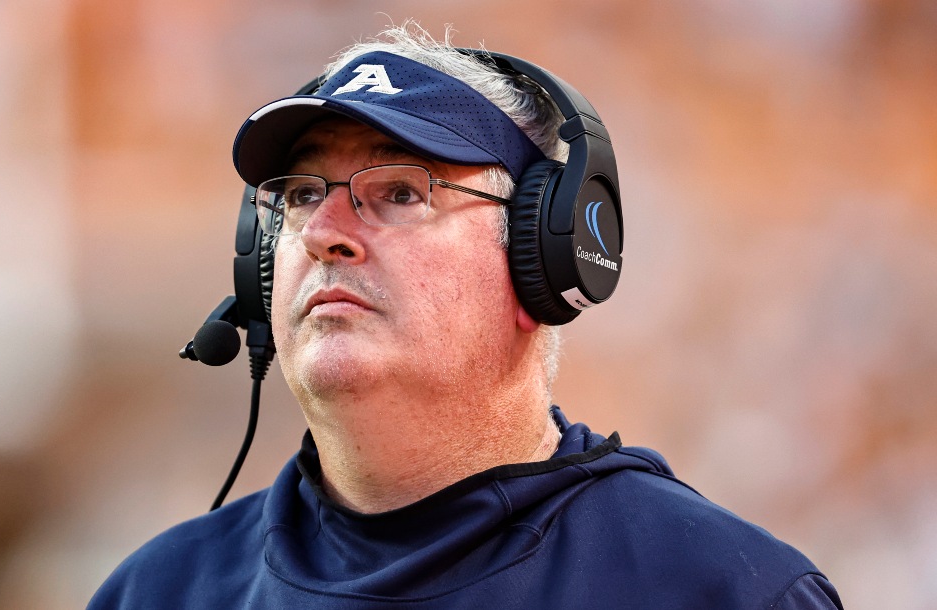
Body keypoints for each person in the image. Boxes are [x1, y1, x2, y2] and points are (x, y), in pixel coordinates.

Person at [89, 24, 842, 609]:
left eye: (401, 192)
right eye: (302, 195)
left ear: (545, 254)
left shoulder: (721, 590)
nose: (323, 232)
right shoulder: (155, 592)